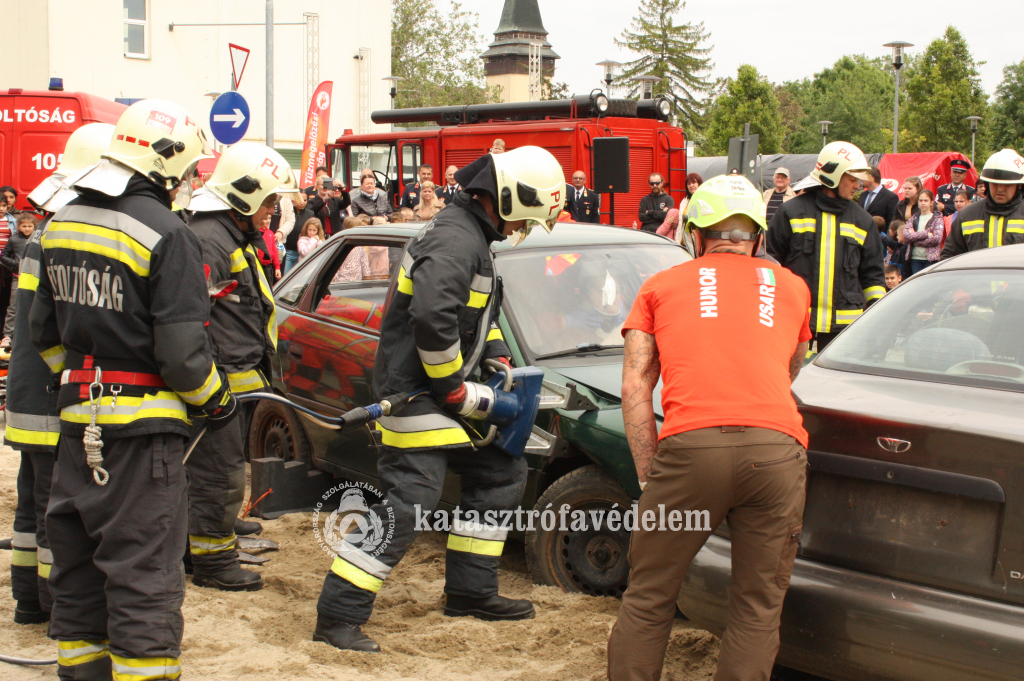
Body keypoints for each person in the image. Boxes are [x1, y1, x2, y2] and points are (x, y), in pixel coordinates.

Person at [313, 146, 565, 653]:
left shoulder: (472, 235)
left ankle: (471, 592)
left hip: (439, 388)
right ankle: (337, 617)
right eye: (526, 219)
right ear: (508, 199)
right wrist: (453, 387)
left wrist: (494, 354)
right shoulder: (455, 239)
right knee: (412, 501)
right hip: (414, 392)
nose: (523, 229)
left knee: (501, 471)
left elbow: (478, 316)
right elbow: (432, 318)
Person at [29, 99, 235, 681]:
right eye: (188, 170)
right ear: (168, 163)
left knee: (78, 572)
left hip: (78, 429)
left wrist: (83, 386)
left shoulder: (63, 220)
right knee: (144, 573)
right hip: (143, 442)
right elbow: (183, 358)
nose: (188, 182)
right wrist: (217, 402)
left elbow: (43, 334)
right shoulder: (168, 233)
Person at [608, 174, 812, 681]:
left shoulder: (660, 286)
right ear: (757, 238)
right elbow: (792, 368)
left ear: (695, 234)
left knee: (650, 595)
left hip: (692, 447)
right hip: (777, 449)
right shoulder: (793, 287)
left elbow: (634, 387)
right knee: (758, 606)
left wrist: (650, 473)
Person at [6, 122, 115, 628]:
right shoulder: (68, 238)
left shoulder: (46, 234)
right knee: (57, 512)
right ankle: (56, 607)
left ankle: (28, 601)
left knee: (31, 506)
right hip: (53, 396)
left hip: (28, 394)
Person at [185, 143, 296, 591]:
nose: (272, 210)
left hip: (235, 376)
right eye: (268, 201)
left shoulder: (228, 234)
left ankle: (217, 531)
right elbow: (191, 321)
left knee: (223, 469)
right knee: (219, 473)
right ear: (244, 196)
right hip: (219, 382)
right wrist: (209, 388)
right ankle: (212, 562)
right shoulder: (210, 240)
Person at [767, 141, 886, 352]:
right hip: (796, 321)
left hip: (843, 329)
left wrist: (877, 318)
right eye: (852, 180)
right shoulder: (791, 212)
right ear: (833, 177)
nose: (858, 186)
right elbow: (770, 265)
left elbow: (873, 276)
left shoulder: (863, 221)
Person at [941, 148, 1024, 259]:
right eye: (995, 183)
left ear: (1019, 185)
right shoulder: (967, 215)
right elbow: (949, 256)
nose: (1000, 189)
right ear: (987, 184)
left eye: (1007, 184)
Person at [0, 213, 37, 341]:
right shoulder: (14, 240)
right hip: (18, 276)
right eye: (24, 226)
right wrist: (17, 265)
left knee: (35, 304)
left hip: (35, 276)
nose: (27, 229)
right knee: (14, 306)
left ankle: (33, 333)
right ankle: (7, 335)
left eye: (30, 226)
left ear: (34, 226)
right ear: (19, 227)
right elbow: (3, 257)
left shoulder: (38, 239)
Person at [902, 189, 944, 274]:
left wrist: (915, 240)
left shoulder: (937, 219)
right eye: (921, 200)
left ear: (931, 202)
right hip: (915, 258)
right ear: (918, 202)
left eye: (926, 200)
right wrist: (926, 234)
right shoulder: (913, 218)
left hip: (931, 259)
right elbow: (906, 236)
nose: (923, 203)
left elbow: (936, 238)